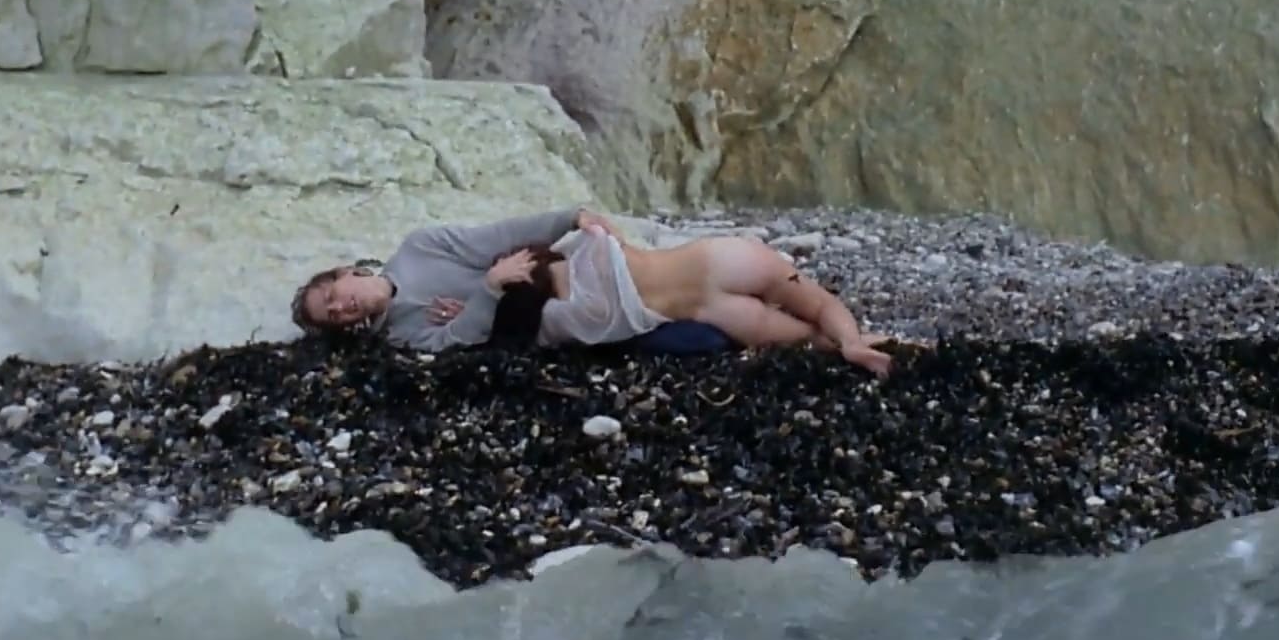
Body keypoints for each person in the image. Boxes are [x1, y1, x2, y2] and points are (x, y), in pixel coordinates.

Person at [461, 218, 898, 377]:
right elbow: (820, 302)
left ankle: (853, 346)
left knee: (811, 340)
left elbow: (509, 342)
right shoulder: (585, 245)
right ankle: (857, 342)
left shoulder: (569, 314)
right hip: (719, 261)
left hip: (712, 310)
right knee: (819, 313)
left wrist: (490, 290)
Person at [291, 205, 604, 352]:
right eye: (333, 316)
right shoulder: (400, 336)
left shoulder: (420, 247)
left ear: (346, 272)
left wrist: (570, 218)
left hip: (556, 272)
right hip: (548, 320)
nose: (339, 308)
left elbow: (500, 236)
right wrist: (489, 290)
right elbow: (458, 340)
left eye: (331, 296)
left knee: (604, 251)